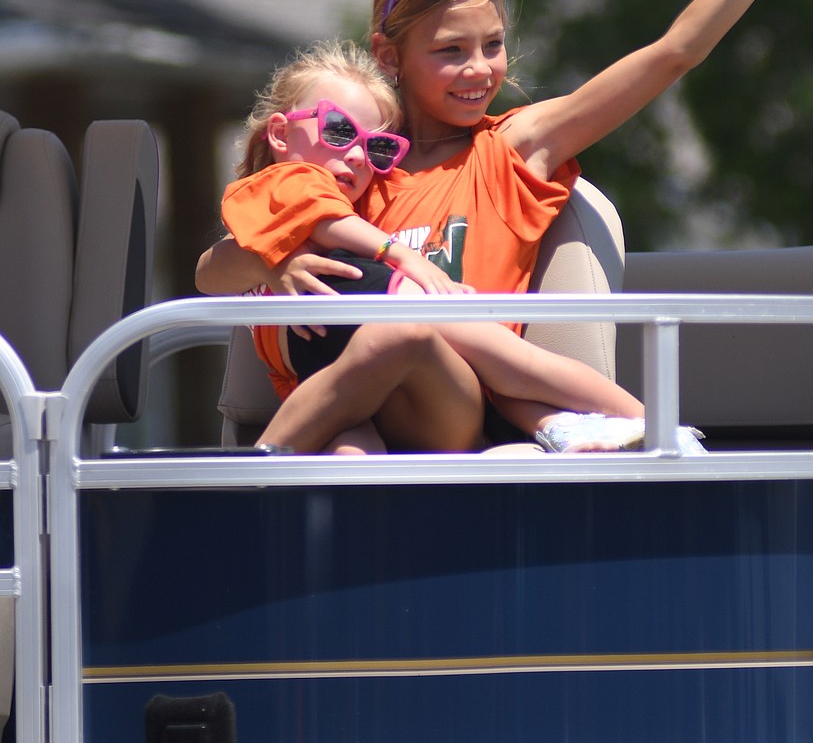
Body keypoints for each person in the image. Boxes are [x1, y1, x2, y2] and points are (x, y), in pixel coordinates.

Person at [197, 0, 813, 456]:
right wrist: (283, 261)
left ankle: (644, 425)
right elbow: (219, 264)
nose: (478, 70)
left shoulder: (512, 148)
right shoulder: (357, 167)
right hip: (358, 413)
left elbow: (674, 52)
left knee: (403, 329)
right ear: (390, 57)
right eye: (450, 51)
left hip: (456, 405)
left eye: (492, 45)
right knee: (348, 452)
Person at [221, 40, 673, 454]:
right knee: (511, 363)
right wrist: (401, 257)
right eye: (338, 131)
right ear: (280, 134)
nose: (360, 156)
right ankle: (646, 422)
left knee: (493, 360)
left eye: (378, 147)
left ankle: (646, 421)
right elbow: (272, 244)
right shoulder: (289, 183)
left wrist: (271, 264)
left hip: (364, 336)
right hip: (349, 331)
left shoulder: (312, 200)